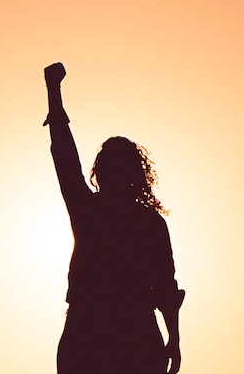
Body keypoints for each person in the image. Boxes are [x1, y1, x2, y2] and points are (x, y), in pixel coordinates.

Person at [43, 62, 185, 374]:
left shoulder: (90, 211)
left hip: (98, 334)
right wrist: (173, 339)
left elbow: (64, 155)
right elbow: (166, 290)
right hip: (121, 334)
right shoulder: (146, 222)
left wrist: (54, 93)